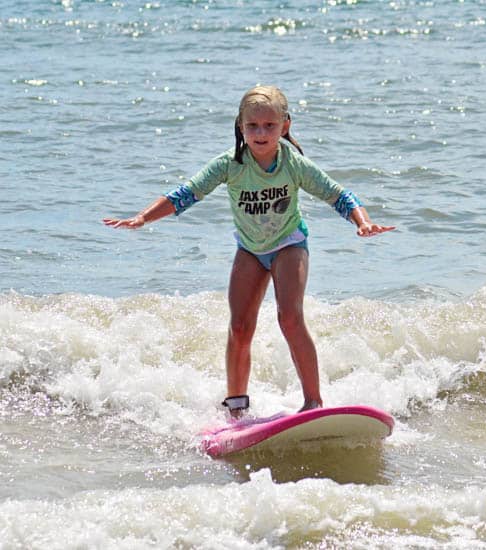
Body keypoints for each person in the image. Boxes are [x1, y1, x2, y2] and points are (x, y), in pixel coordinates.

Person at [104, 85, 395, 418]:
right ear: (240, 126)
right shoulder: (229, 165)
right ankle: (236, 408)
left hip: (289, 244)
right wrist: (143, 217)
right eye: (252, 126)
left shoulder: (294, 164)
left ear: (285, 125)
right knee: (240, 327)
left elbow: (337, 194)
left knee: (289, 317)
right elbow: (186, 194)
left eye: (269, 126)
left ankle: (313, 402)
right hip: (250, 250)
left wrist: (363, 222)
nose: (260, 133)